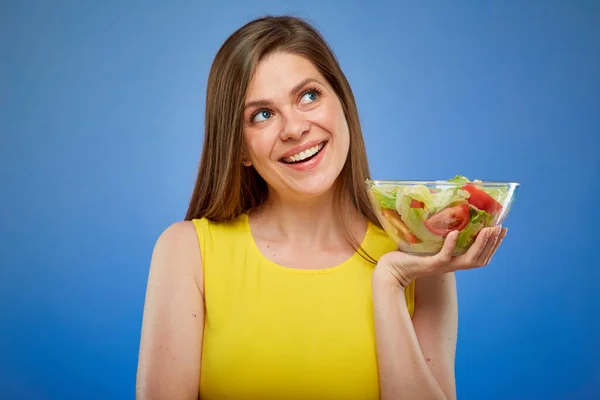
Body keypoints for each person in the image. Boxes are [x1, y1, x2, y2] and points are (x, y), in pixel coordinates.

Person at [135, 15, 507, 400]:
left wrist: (389, 282)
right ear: (240, 148)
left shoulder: (420, 258)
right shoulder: (187, 252)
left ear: (342, 104)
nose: (293, 128)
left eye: (308, 96)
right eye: (262, 115)